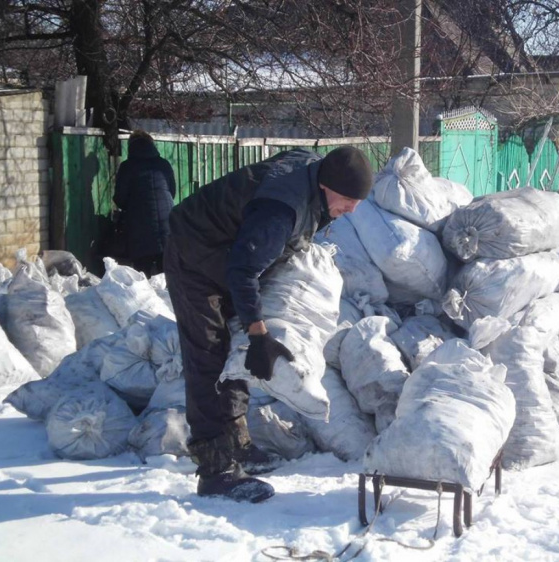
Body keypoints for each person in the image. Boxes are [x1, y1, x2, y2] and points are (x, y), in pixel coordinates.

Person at [164, 146, 373, 503]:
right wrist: (258, 334)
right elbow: (243, 272)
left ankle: (237, 444)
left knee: (235, 352)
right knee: (210, 355)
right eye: (348, 199)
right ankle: (216, 471)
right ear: (325, 186)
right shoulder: (281, 209)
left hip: (226, 253)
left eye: (358, 201)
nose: (352, 209)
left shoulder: (312, 176)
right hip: (195, 255)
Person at [113, 130, 176, 275]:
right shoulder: (163, 164)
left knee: (143, 273)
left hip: (139, 226)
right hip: (167, 223)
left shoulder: (127, 167)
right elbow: (171, 192)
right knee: (166, 273)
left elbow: (120, 198)